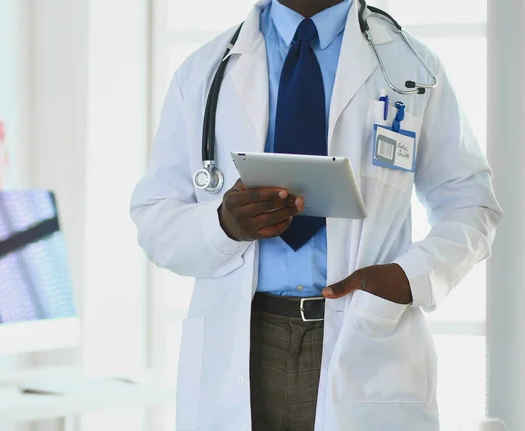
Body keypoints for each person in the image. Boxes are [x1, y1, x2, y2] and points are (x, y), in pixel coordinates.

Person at [130, 0, 503, 430]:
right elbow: (154, 219)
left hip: (362, 332)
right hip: (244, 342)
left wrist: (411, 275)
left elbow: (471, 203)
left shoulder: (410, 68)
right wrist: (222, 227)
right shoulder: (204, 71)